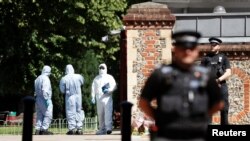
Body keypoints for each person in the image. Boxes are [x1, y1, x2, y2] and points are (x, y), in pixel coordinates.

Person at [138, 31, 224, 141]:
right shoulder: (161, 74)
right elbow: (144, 102)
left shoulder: (205, 75)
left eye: (191, 48)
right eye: (183, 48)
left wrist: (202, 118)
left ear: (196, 51)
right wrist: (160, 118)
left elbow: (219, 103)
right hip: (166, 134)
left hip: (196, 135)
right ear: (175, 50)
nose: (187, 51)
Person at [200, 37, 232, 125]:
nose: (212, 46)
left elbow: (228, 72)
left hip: (221, 85)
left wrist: (218, 80)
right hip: (209, 86)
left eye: (215, 45)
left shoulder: (224, 57)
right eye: (211, 45)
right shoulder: (205, 58)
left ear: (219, 46)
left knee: (224, 108)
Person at [91, 63, 117, 135]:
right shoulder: (96, 78)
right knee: (100, 113)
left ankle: (108, 128)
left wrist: (109, 91)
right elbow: (93, 88)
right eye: (100, 68)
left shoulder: (109, 77)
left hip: (107, 97)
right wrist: (93, 96)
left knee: (108, 112)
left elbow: (114, 86)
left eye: (103, 68)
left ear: (105, 68)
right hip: (99, 98)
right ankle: (102, 129)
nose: (101, 69)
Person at [59, 64, 84, 135]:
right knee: (79, 111)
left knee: (70, 112)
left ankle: (72, 129)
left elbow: (62, 90)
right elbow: (82, 82)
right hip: (78, 96)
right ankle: (79, 129)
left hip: (69, 97)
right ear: (73, 69)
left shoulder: (64, 78)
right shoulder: (79, 76)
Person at [34, 65, 53, 135]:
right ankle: (44, 129)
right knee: (48, 114)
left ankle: (37, 129)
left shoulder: (38, 78)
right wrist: (47, 100)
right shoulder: (46, 78)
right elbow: (45, 90)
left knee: (39, 115)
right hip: (44, 98)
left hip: (38, 98)